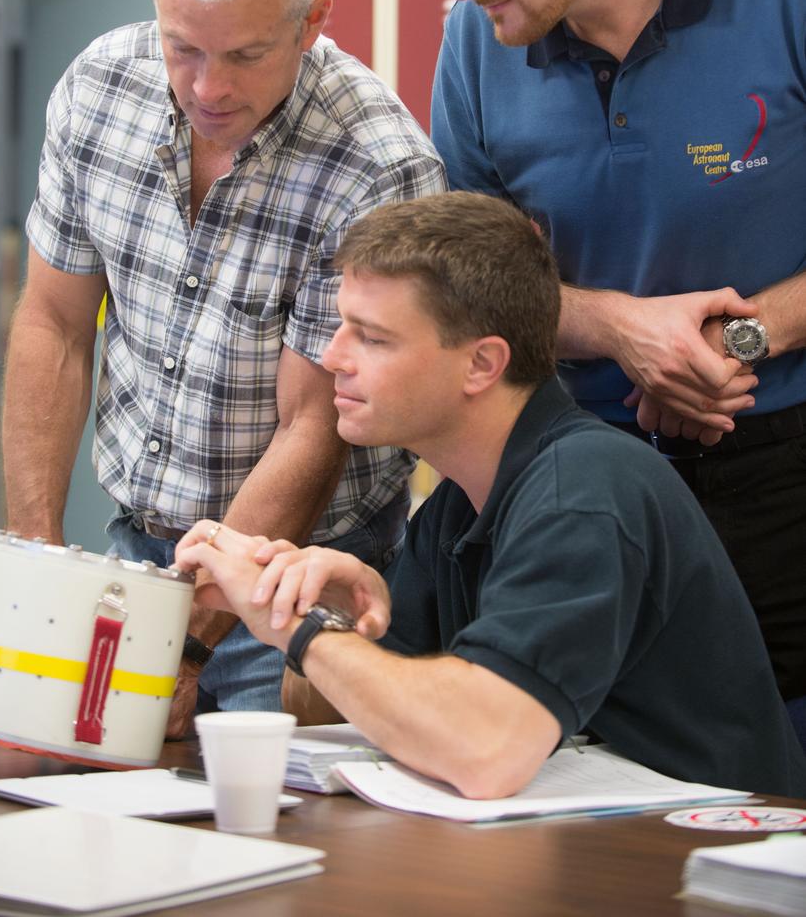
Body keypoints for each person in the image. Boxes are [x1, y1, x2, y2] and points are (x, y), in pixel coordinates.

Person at [403, 0, 806, 740]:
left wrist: (736, 340)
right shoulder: (475, 46)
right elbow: (471, 287)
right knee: (601, 772)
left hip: (783, 463)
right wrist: (623, 331)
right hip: (583, 479)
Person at [2, 0, 446, 729]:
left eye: (244, 54)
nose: (208, 87)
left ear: (311, 20)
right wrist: (38, 557)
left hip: (298, 571)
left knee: (271, 803)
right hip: (139, 542)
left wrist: (187, 645)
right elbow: (53, 323)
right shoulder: (99, 90)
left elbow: (311, 423)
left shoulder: (374, 164)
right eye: (183, 48)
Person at [175, 193, 806, 799]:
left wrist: (293, 630)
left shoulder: (583, 491)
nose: (333, 355)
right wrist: (328, 618)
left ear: (482, 364)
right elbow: (326, 713)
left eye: (372, 337)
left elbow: (485, 750)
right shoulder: (457, 506)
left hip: (705, 852)